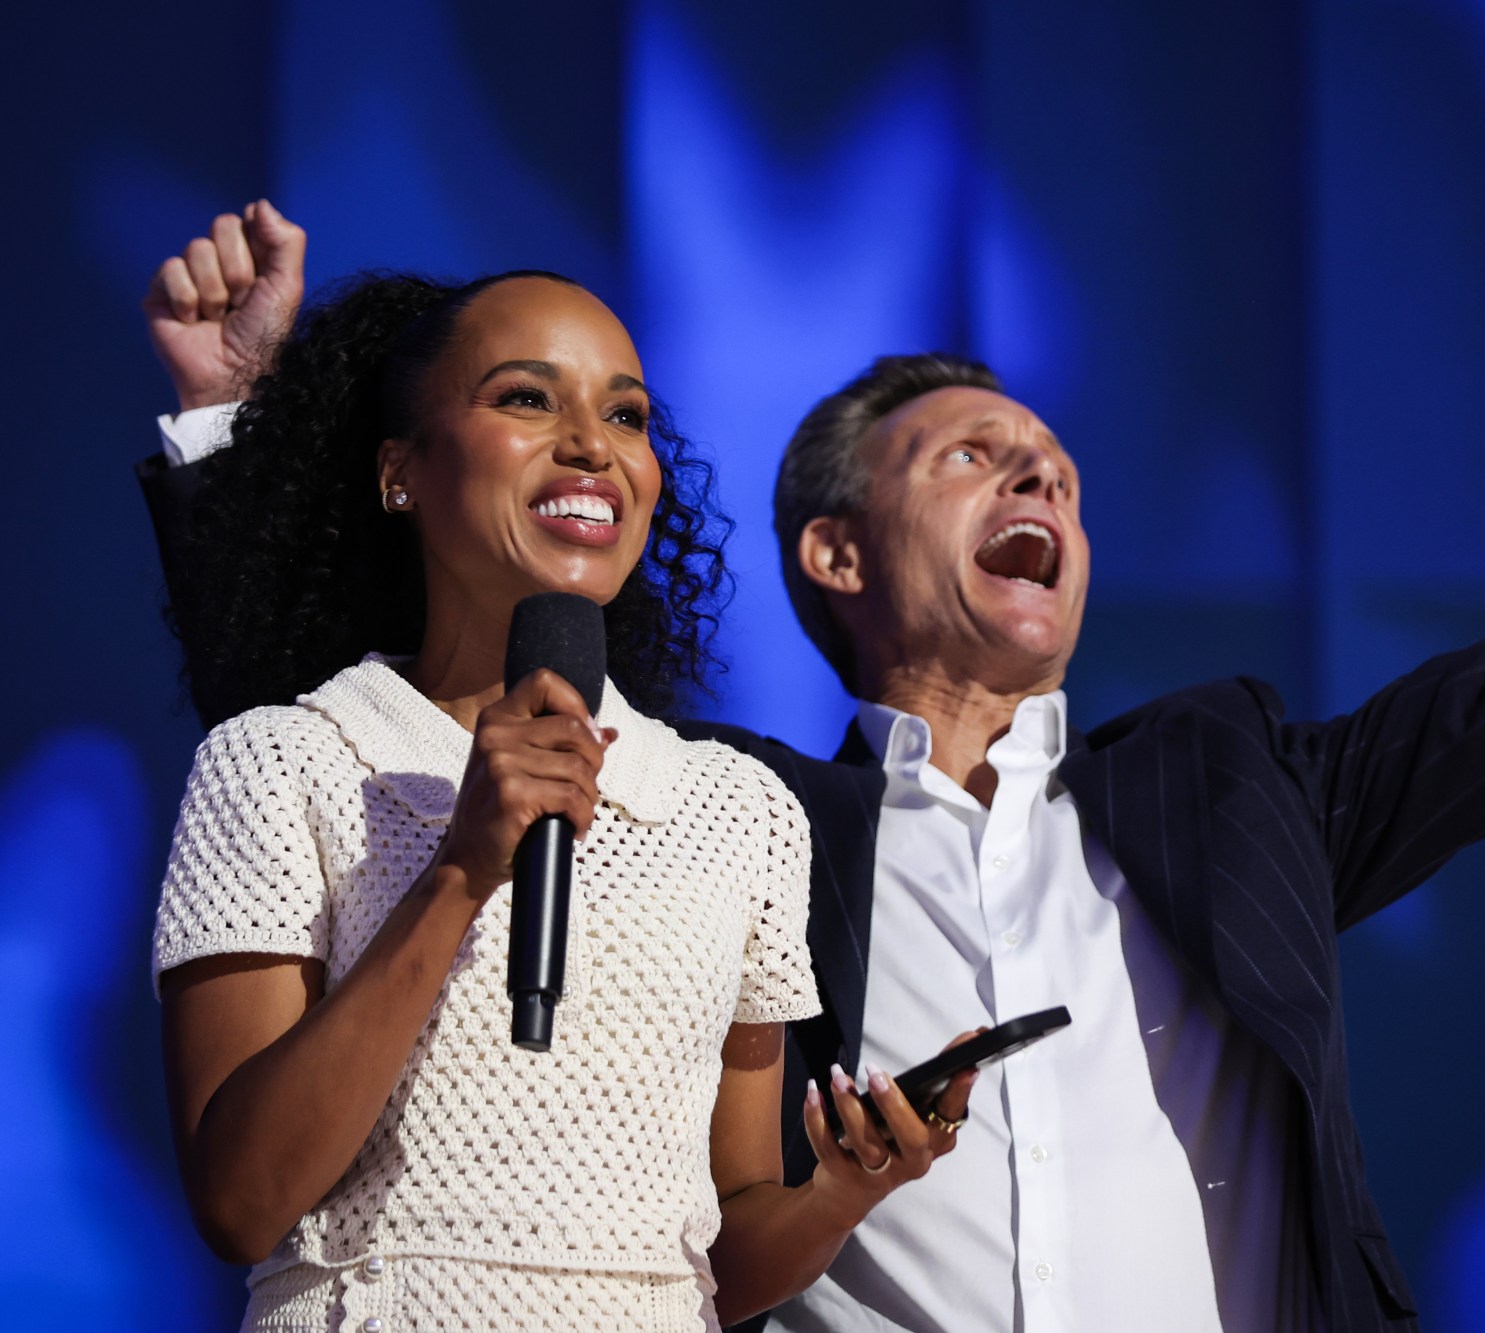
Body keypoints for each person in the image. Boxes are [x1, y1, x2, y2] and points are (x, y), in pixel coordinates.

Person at [140, 162, 1485, 1331]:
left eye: (1057, 468)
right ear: (836, 555)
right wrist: (249, 435)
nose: (1039, 473)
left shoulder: (1240, 790)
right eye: (971, 454)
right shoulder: (742, 818)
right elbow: (365, 737)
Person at [146, 244, 976, 1331]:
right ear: (399, 471)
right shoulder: (282, 761)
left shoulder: (738, 810)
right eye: (527, 398)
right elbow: (241, 1202)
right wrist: (459, 869)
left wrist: (840, 1189)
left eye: (626, 416)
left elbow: (713, 1258)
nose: (591, 444)